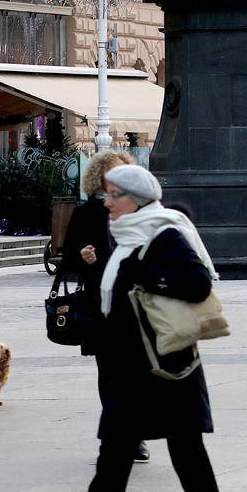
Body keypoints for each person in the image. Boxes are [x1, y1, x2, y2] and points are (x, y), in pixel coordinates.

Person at [56, 164, 227, 492]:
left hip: (167, 365)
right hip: (129, 366)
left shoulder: (162, 233)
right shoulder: (125, 237)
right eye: (107, 195)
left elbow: (197, 283)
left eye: (115, 195)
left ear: (138, 199)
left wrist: (144, 274)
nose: (108, 203)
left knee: (187, 451)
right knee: (113, 451)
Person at [63, 151, 150, 464]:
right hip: (101, 303)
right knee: (109, 370)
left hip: (136, 301)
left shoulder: (140, 210)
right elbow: (69, 257)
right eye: (112, 174)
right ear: (99, 177)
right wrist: (82, 255)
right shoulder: (86, 212)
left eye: (124, 174)